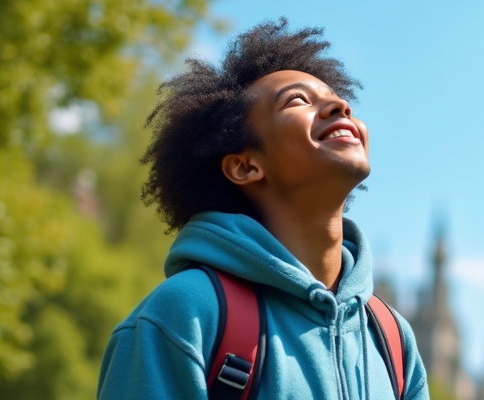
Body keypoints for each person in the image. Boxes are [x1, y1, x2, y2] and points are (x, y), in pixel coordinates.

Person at [97, 19, 428, 400]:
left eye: (339, 99)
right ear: (245, 166)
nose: (341, 105)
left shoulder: (392, 338)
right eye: (297, 100)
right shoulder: (183, 316)